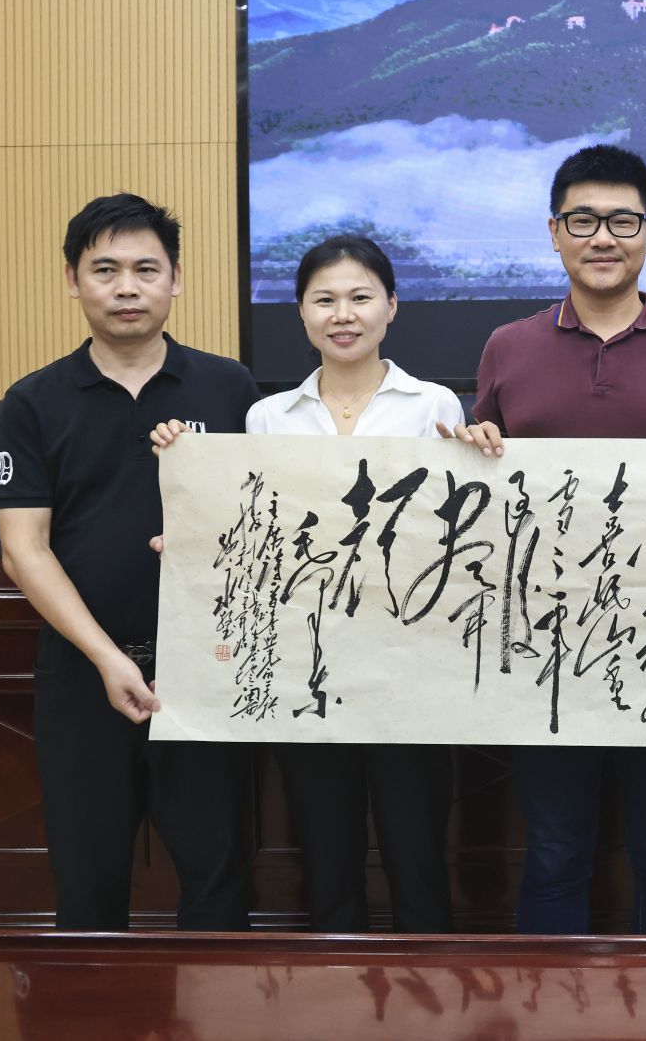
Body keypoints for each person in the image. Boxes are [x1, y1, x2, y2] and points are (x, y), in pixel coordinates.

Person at [466, 144, 646, 935]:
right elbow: (485, 485)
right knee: (554, 851)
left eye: (623, 221)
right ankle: (549, 1000)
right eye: (583, 221)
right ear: (554, 232)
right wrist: (474, 448)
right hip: (543, 645)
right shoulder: (507, 347)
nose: (603, 238)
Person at [153, 234, 467, 933]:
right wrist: (192, 528)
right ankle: (336, 979)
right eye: (324, 300)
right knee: (327, 848)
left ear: (392, 306)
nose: (342, 315)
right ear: (300, 312)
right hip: (305, 659)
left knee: (416, 846)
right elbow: (251, 525)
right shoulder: (268, 417)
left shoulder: (435, 405)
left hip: (410, 659)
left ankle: (431, 982)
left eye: (360, 298)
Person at [0, 194, 262, 930]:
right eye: (105, 269)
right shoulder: (33, 401)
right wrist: (108, 659)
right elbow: (22, 548)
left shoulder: (230, 388)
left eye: (147, 269)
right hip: (83, 673)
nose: (127, 287)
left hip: (208, 670)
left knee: (218, 882)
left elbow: (267, 527)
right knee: (88, 883)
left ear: (176, 279)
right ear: (73, 281)